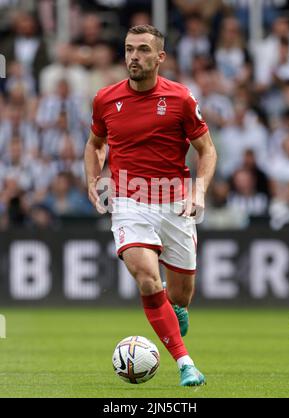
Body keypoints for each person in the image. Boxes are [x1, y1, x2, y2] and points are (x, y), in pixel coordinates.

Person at [84, 25, 217, 386]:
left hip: (174, 203)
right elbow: (95, 144)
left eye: (143, 50)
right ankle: (186, 363)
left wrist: (198, 190)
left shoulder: (181, 98)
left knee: (180, 295)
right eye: (128, 49)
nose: (134, 57)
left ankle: (177, 311)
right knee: (146, 279)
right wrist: (94, 176)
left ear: (160, 57)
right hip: (128, 200)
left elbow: (206, 149)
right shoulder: (105, 99)